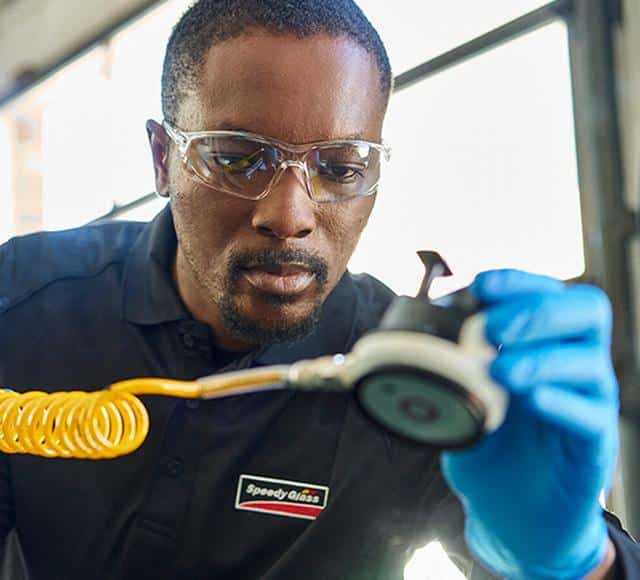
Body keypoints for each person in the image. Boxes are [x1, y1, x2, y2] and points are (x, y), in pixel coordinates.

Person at [0, 0, 636, 578]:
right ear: (164, 160)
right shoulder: (21, 303)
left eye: (340, 168)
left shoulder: (408, 372)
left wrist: (575, 560)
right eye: (237, 157)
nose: (291, 215)